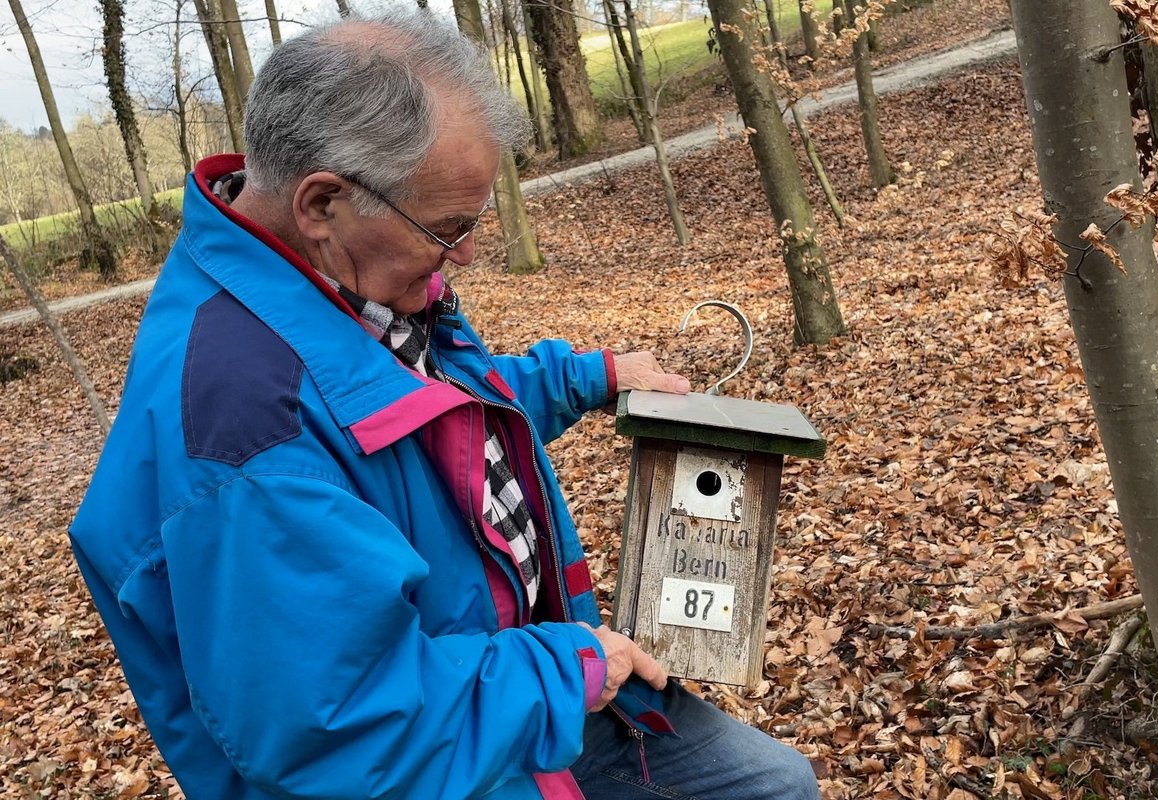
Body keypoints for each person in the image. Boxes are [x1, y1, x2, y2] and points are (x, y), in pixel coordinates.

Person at [69, 11, 819, 800]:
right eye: (448, 228)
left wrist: (581, 378)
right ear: (322, 203)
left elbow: (419, 413)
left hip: (512, 693)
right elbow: (345, 727)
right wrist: (569, 670)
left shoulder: (328, 287)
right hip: (461, 751)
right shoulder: (248, 431)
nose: (465, 253)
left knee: (775, 781)